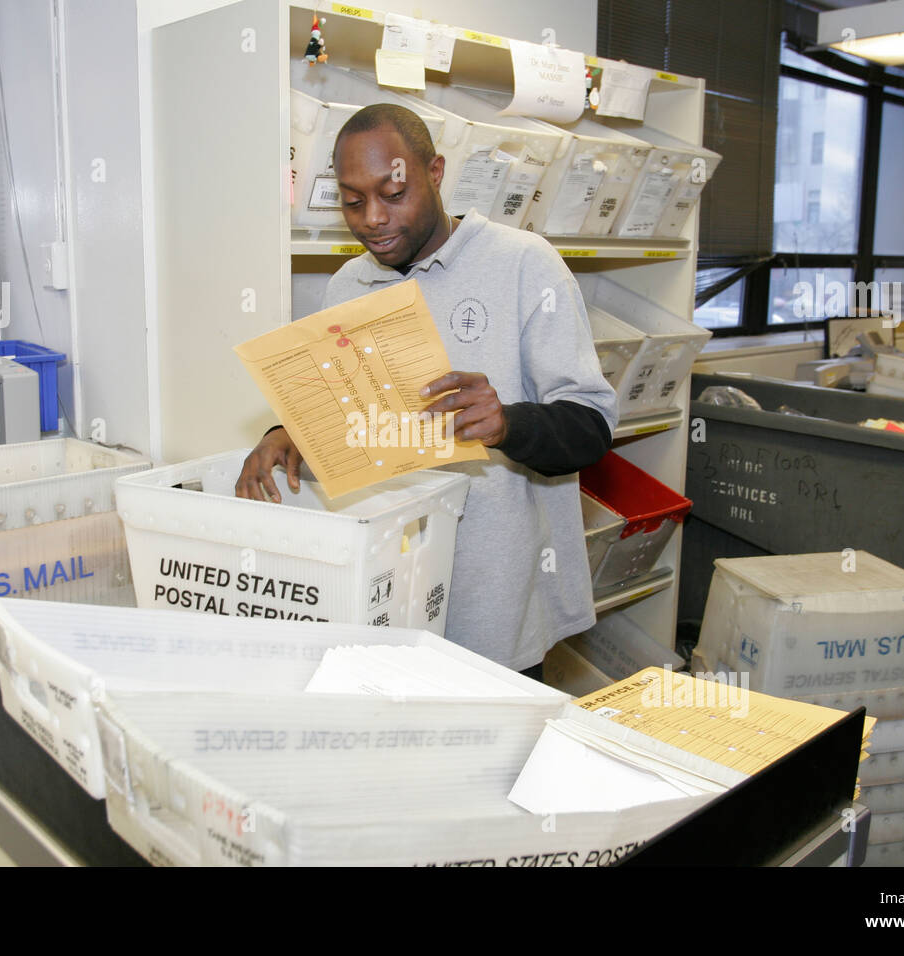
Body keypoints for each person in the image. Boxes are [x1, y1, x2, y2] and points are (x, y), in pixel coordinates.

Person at [237, 103, 618, 677]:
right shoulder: (348, 285)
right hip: (389, 592)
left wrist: (510, 423)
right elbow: (345, 417)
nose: (372, 219)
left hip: (495, 600)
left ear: (435, 173)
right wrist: (285, 432)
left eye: (394, 194)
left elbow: (591, 428)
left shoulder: (523, 265)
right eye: (352, 199)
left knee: (494, 758)